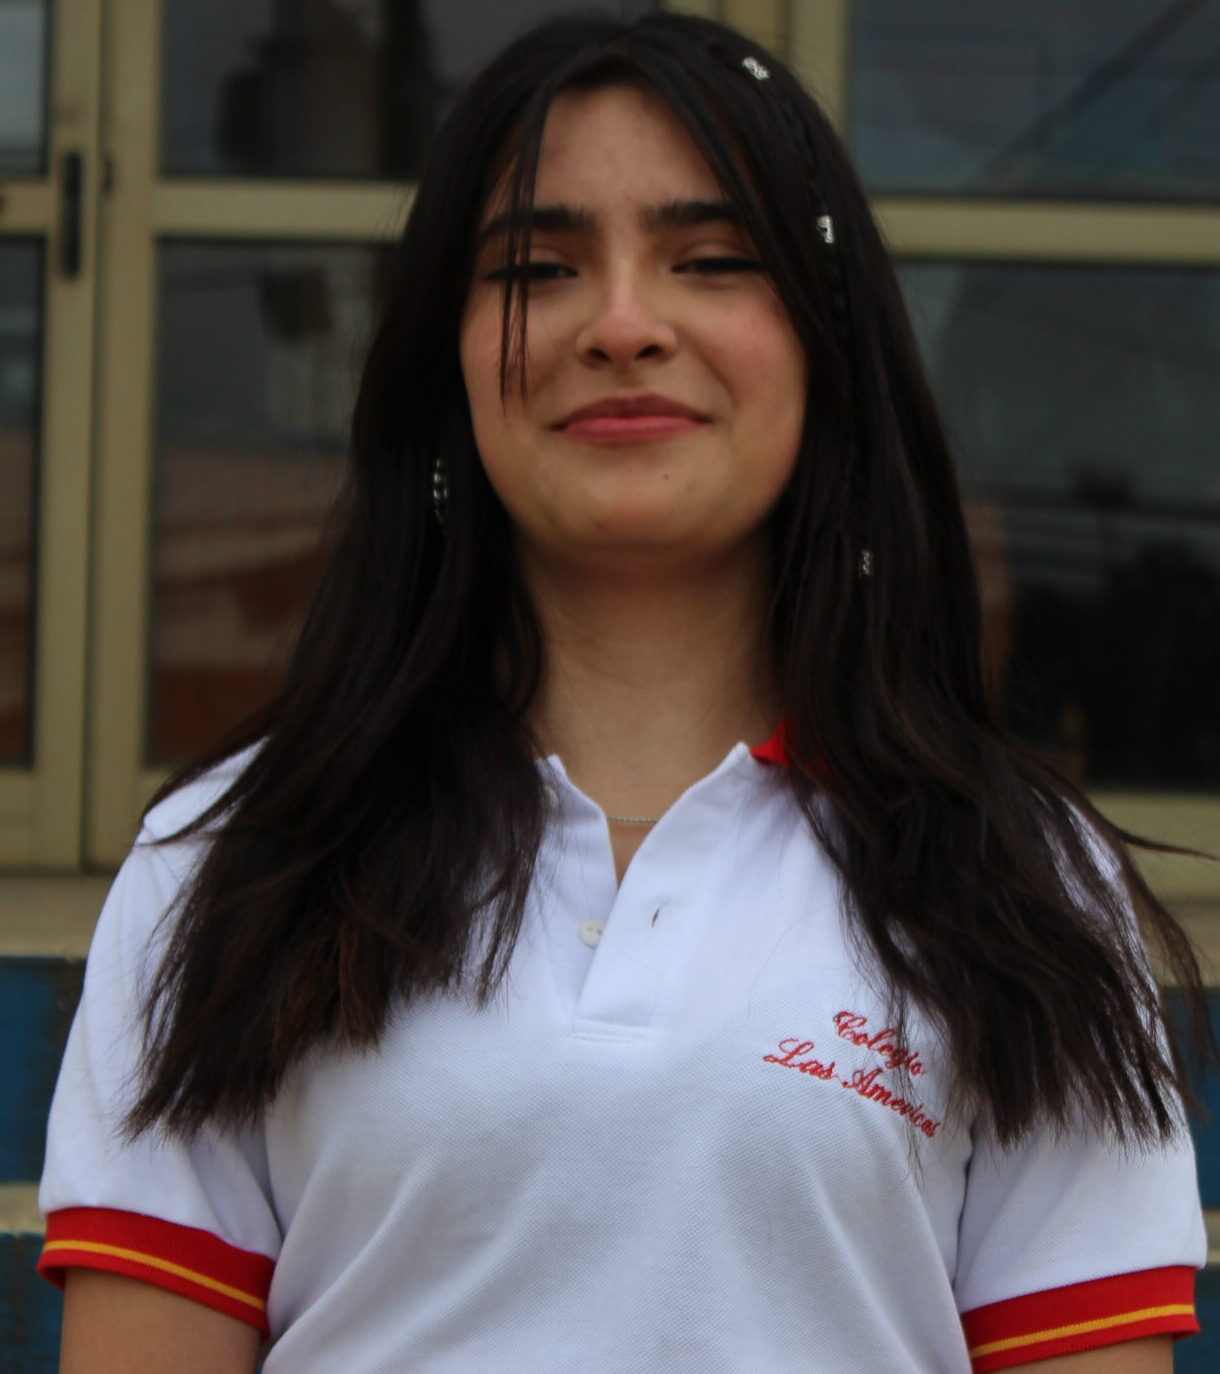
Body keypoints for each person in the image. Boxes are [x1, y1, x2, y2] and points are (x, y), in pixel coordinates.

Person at [38, 13, 1211, 1373]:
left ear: (828, 344)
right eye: (538, 269)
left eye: (710, 261)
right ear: (446, 354)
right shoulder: (235, 859)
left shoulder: (1023, 884)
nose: (623, 326)